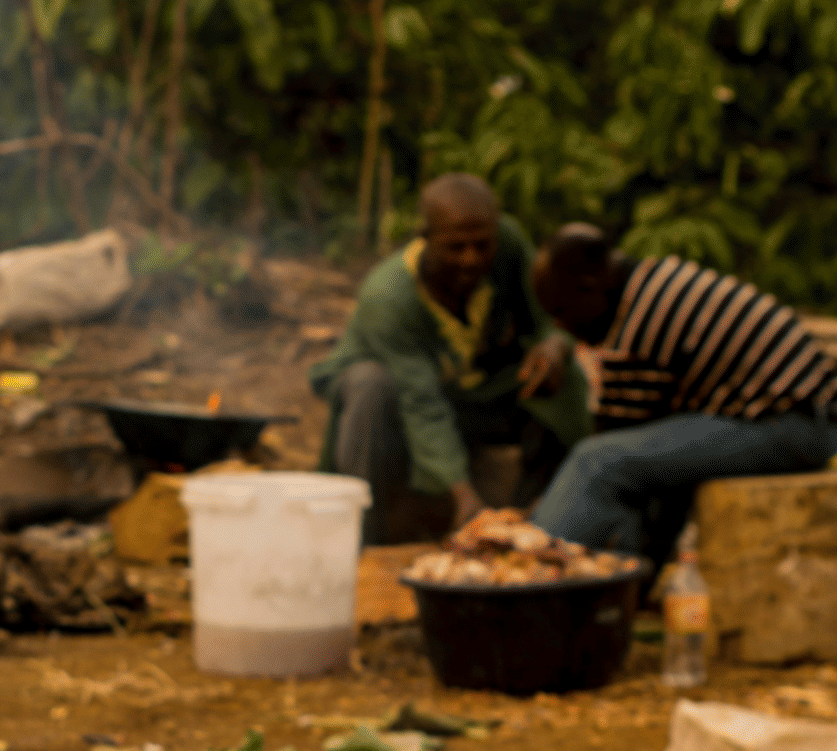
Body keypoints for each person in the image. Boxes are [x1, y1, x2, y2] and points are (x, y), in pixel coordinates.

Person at [531, 224, 837, 566]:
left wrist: (547, 515)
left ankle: (535, 572)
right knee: (628, 467)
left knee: (595, 462)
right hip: (790, 418)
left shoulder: (636, 328)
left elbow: (610, 443)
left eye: (560, 312)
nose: (560, 327)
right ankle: (627, 581)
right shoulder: (652, 279)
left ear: (590, 289)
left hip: (789, 426)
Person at [312, 175, 593, 544]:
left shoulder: (508, 244)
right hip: (395, 402)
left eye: (482, 246)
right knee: (371, 384)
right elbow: (422, 404)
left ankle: (544, 517)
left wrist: (555, 345)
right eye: (455, 248)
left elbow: (548, 311)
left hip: (470, 391)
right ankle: (362, 535)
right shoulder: (389, 297)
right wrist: (464, 497)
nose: (471, 259)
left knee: (560, 371)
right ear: (425, 238)